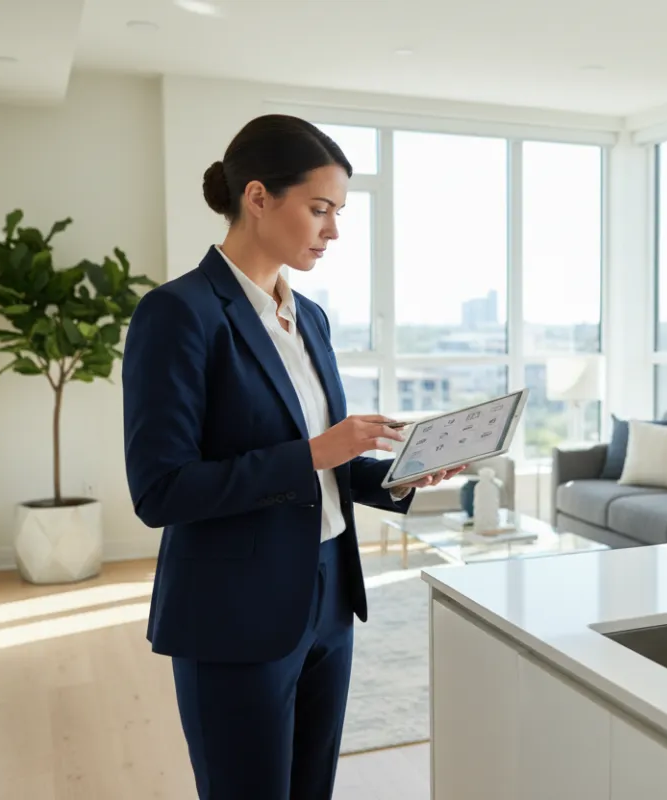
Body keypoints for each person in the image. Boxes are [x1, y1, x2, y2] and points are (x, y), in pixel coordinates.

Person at [121, 113, 464, 799]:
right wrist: (313, 452)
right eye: (319, 209)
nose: (333, 230)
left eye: (337, 212)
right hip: (233, 611)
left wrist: (398, 478)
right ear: (257, 197)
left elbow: (323, 467)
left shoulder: (309, 317)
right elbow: (161, 490)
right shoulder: (179, 314)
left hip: (330, 595)